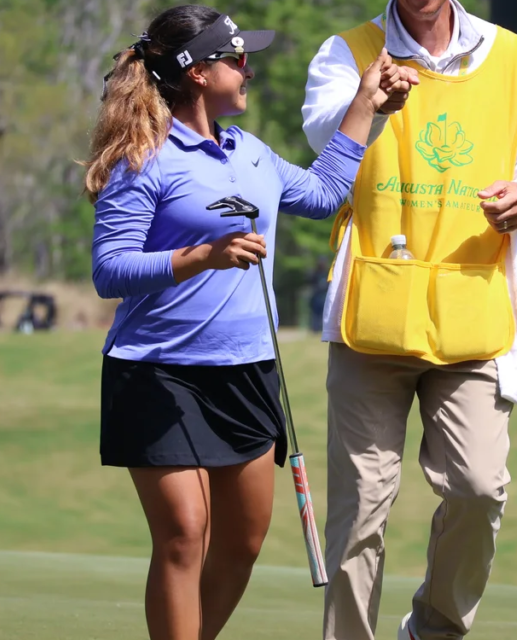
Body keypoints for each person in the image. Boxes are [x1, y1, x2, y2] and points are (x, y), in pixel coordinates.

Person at [84, 7, 403, 639]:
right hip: (158, 373)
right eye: (235, 59)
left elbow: (322, 194)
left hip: (248, 372)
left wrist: (367, 104)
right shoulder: (143, 158)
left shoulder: (250, 152)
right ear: (198, 73)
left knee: (243, 542)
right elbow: (109, 270)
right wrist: (202, 256)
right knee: (185, 534)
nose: (247, 69)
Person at [301, 1, 517, 638]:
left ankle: (433, 629)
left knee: (479, 488)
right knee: (359, 508)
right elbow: (322, 137)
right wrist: (370, 103)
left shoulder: (511, 55)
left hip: (474, 312)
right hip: (373, 317)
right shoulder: (348, 51)